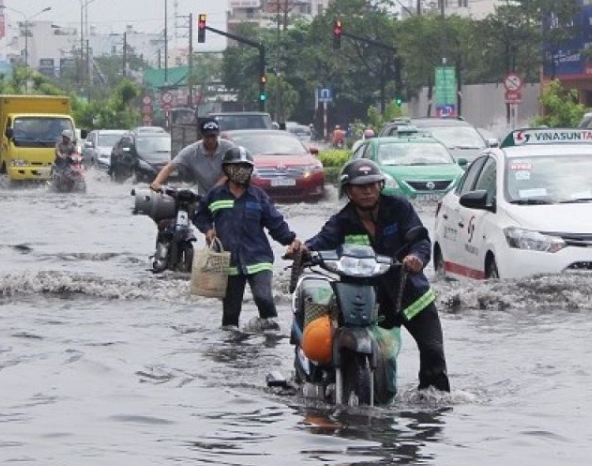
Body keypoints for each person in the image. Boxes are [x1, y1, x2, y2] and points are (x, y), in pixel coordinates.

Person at [297, 159, 451, 393]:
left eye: (373, 185)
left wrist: (416, 258)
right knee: (373, 352)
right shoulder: (343, 221)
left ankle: (432, 405)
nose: (368, 191)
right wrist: (302, 251)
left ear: (380, 186)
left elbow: (420, 239)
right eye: (361, 186)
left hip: (411, 295)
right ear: (348, 191)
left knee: (433, 352)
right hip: (371, 301)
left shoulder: (399, 208)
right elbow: (321, 241)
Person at [193, 147, 305, 330]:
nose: (241, 172)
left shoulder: (258, 196)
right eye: (236, 167)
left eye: (245, 167)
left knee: (264, 298)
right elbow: (200, 215)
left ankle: (269, 336)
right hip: (229, 262)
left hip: (258, 259)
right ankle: (234, 350)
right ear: (226, 170)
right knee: (230, 314)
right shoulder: (215, 195)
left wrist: (291, 240)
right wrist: (207, 230)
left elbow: (275, 223)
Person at [150, 119, 234, 193]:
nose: (210, 140)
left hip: (229, 195)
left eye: (213, 136)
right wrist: (156, 183)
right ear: (201, 135)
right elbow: (170, 167)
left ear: (218, 134)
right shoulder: (192, 151)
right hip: (205, 198)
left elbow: (242, 167)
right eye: (207, 136)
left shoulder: (229, 148)